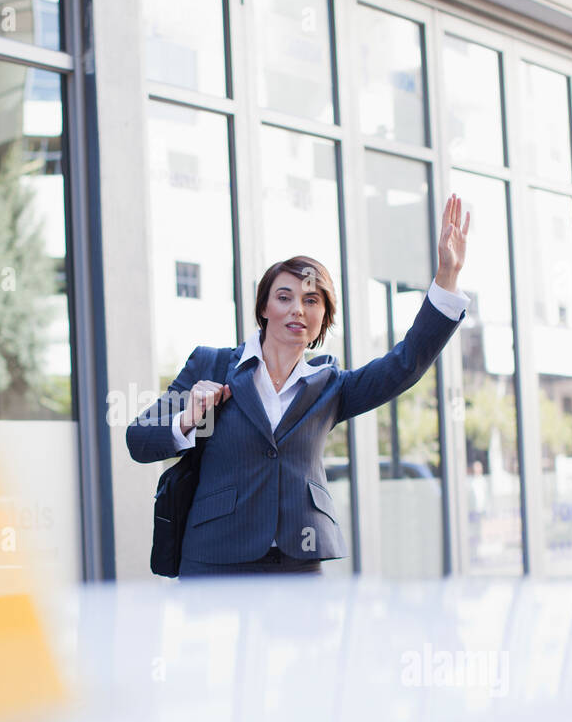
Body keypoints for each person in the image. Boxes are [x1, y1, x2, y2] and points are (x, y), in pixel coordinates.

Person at [127, 195, 472, 578]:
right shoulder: (210, 364)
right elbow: (138, 439)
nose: (298, 309)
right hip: (215, 559)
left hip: (300, 561)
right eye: (284, 297)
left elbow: (405, 363)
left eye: (311, 300)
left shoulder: (330, 386)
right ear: (264, 308)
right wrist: (188, 419)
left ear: (323, 316)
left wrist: (446, 279)